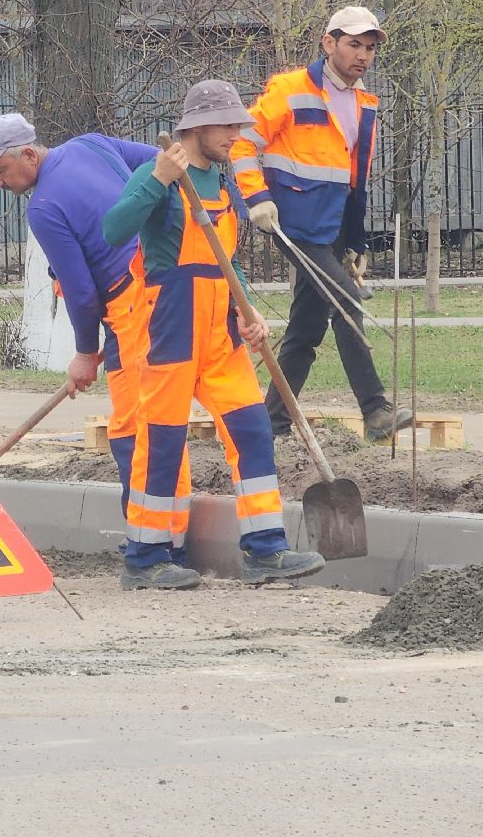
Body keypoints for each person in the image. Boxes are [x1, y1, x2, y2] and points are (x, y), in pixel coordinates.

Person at [103, 80, 326, 589]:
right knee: (160, 443)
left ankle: (265, 551)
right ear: (198, 127)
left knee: (253, 432)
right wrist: (157, 180)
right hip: (170, 330)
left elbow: (225, 265)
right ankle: (145, 558)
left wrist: (247, 310)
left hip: (220, 335)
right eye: (228, 126)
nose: (236, 135)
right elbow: (114, 230)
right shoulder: (157, 175)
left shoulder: (223, 189)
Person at [0, 113, 157, 553]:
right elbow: (165, 165)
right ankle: (165, 536)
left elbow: (83, 294)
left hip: (132, 308)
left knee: (131, 427)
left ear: (29, 154)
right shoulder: (91, 142)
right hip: (163, 290)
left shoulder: (44, 207)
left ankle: (150, 545)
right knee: (158, 416)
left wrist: (86, 353)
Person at [230, 5, 412, 443]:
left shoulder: (364, 101)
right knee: (348, 303)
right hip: (292, 222)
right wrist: (257, 199)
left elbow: (351, 176)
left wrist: (354, 239)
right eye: (353, 45)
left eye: (369, 48)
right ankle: (375, 410)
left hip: (330, 227)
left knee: (306, 329)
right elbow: (240, 143)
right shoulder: (290, 89)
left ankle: (271, 423)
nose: (362, 55)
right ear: (328, 43)